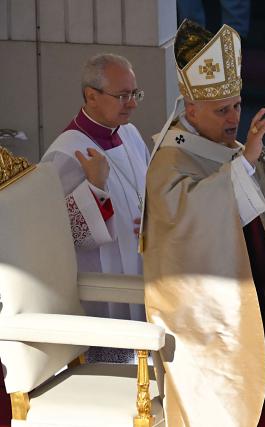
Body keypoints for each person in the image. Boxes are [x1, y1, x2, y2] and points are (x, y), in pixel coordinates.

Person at [142, 20, 265, 426]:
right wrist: (249, 162)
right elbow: (189, 224)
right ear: (191, 109)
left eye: (237, 106)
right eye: (222, 110)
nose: (233, 118)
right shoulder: (170, 159)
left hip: (247, 292)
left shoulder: (224, 146)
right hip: (204, 317)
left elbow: (259, 195)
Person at [41, 53, 148, 322]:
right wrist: (95, 187)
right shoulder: (65, 154)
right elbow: (63, 236)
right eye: (123, 95)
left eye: (135, 93)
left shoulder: (130, 134)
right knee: (115, 358)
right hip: (102, 282)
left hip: (142, 265)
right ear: (91, 96)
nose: (133, 103)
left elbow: (147, 192)